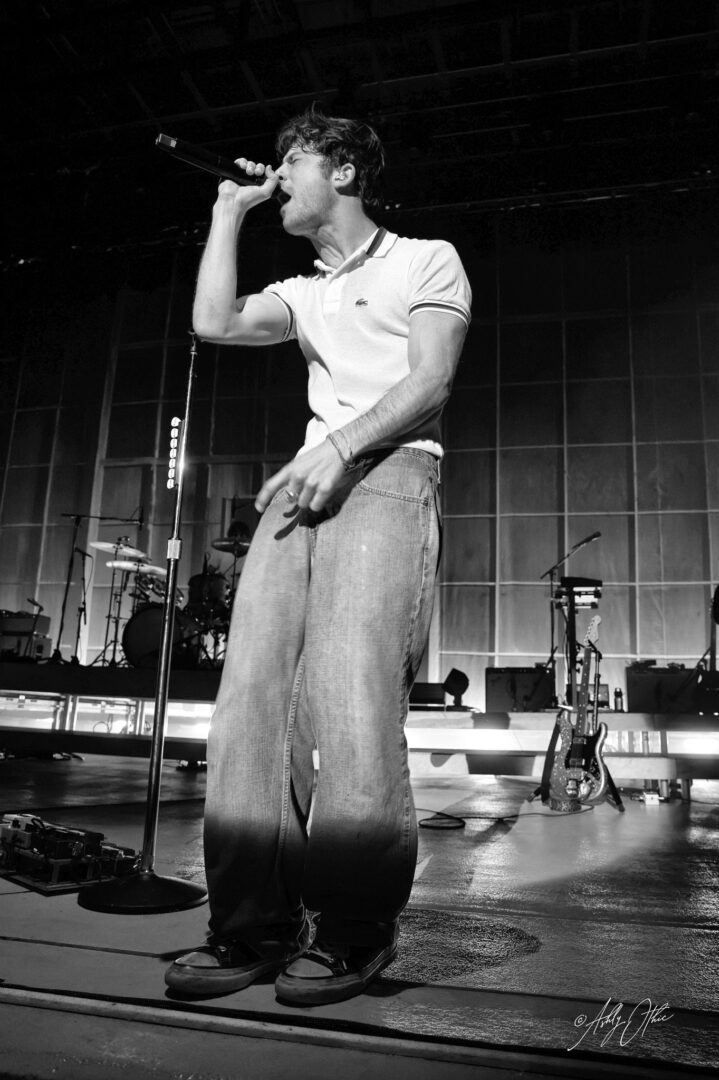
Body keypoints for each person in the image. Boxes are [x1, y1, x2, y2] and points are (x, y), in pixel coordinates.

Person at [165, 104, 471, 1006]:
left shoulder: (425, 258)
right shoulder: (303, 291)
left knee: (352, 701)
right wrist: (228, 212)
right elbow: (214, 321)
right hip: (303, 485)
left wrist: (343, 446)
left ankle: (352, 928)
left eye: (292, 159)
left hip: (389, 471)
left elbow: (430, 380)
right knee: (249, 708)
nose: (279, 174)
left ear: (342, 170)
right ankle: (251, 924)